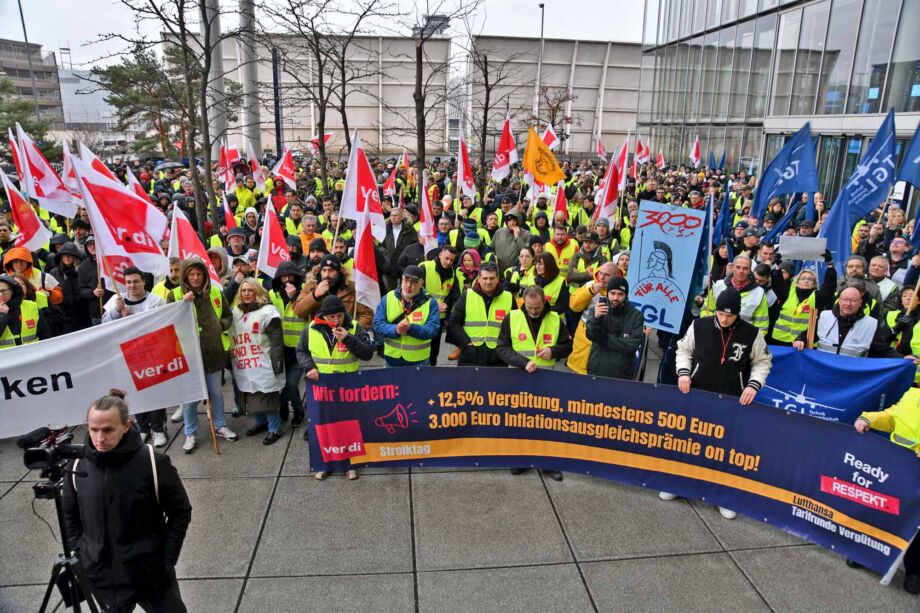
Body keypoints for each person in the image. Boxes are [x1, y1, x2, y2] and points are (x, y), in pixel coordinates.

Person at [62, 390, 192, 613]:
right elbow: (70, 514)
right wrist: (82, 552)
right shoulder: (77, 466)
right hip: (102, 574)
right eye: (93, 429)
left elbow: (181, 511)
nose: (100, 438)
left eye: (108, 430)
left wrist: (166, 558)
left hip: (150, 572)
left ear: (126, 426)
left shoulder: (153, 462)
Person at [667, 288, 772, 519]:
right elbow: (683, 350)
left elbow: (762, 362)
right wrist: (684, 373)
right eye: (720, 314)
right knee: (689, 440)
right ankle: (678, 483)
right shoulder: (700, 325)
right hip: (698, 392)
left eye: (729, 316)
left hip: (731, 398)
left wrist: (753, 385)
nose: (724, 319)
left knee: (724, 447)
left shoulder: (752, 333)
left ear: (738, 314)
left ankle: (722, 495)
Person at [496, 285, 572, 481]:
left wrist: (553, 351)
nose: (534, 311)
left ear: (544, 302)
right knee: (520, 420)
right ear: (524, 302)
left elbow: (568, 346)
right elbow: (502, 348)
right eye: (530, 307)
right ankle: (520, 459)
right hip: (520, 376)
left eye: (537, 307)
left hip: (547, 378)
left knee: (547, 422)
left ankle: (548, 463)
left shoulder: (555, 319)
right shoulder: (511, 318)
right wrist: (523, 362)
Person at [296, 295, 375, 473]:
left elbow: (368, 353)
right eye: (332, 317)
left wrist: (348, 338)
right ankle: (326, 463)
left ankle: (349, 464)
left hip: (347, 386)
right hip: (321, 386)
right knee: (324, 425)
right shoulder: (311, 328)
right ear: (324, 316)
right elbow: (301, 350)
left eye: (339, 315)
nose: (336, 320)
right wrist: (309, 367)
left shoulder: (354, 327)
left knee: (347, 424)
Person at [167, 257, 238, 453]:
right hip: (189, 355)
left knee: (215, 393)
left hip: (213, 352)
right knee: (190, 399)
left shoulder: (215, 291)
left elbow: (227, 314)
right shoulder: (175, 295)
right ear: (186, 276)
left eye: (199, 274)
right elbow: (170, 322)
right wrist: (183, 303)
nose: (196, 278)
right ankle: (191, 433)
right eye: (192, 274)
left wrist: (218, 327)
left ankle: (220, 425)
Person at [854, 387, 920, 595]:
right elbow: (891, 417)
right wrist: (868, 419)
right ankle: (866, 552)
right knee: (882, 509)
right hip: (897, 466)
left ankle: (915, 571)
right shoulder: (912, 394)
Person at [103, 267, 170, 446]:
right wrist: (116, 312)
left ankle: (157, 428)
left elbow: (160, 325)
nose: (132, 285)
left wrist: (134, 318)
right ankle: (143, 427)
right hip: (126, 355)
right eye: (129, 282)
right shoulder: (115, 301)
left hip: (151, 355)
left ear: (144, 282)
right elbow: (104, 327)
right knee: (133, 392)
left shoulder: (156, 301)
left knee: (155, 391)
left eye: (135, 281)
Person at [232, 277, 286, 445]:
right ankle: (260, 422)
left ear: (258, 292)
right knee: (250, 393)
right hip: (246, 362)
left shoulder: (268, 312)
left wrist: (277, 363)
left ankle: (274, 428)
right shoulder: (236, 312)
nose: (246, 294)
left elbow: (277, 341)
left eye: (250, 290)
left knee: (266, 395)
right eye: (243, 290)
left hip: (264, 362)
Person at [794, 284, 897, 357]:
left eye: (853, 300)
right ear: (839, 300)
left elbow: (883, 350)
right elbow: (807, 335)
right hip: (823, 369)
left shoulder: (871, 324)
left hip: (850, 375)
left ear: (860, 303)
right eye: (845, 299)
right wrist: (800, 340)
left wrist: (902, 359)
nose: (848, 304)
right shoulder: (824, 316)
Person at [447, 261, 516, 367]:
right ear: (479, 278)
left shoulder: (508, 297)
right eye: (485, 278)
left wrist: (505, 346)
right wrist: (466, 343)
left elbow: (516, 326)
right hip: (470, 356)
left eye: (492, 278)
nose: (488, 282)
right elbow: (454, 323)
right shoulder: (467, 296)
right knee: (468, 384)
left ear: (498, 278)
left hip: (498, 358)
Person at [373, 264, 441, 367]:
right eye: (406, 280)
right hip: (392, 360)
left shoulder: (430, 303)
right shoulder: (388, 298)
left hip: (418, 362)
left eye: (413, 281)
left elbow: (432, 330)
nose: (408, 285)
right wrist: (396, 329)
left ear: (421, 283)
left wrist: (411, 328)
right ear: (401, 279)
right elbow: (377, 324)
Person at [269, 260, 308, 426]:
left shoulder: (305, 293)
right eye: (283, 276)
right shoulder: (272, 295)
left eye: (290, 275)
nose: (287, 279)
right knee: (280, 382)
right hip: (280, 348)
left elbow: (307, 314)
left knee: (292, 384)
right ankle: (284, 405)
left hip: (300, 349)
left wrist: (294, 299)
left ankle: (298, 410)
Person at [585, 276, 645, 380]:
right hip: (597, 369)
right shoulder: (596, 310)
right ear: (607, 293)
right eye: (612, 293)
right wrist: (596, 319)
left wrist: (603, 339)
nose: (616, 298)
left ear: (626, 295)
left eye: (620, 294)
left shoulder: (636, 315)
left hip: (623, 373)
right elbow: (591, 335)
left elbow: (632, 345)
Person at [293, 254, 374, 329]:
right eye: (324, 270)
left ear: (338, 272)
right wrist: (315, 295)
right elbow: (298, 311)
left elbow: (367, 314)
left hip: (344, 339)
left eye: (331, 270)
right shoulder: (311, 286)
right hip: (319, 337)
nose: (327, 274)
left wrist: (353, 332)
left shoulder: (352, 288)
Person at [566, 262, 616, 375]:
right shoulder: (590, 285)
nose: (602, 277)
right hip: (584, 334)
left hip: (606, 336)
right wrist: (591, 291)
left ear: (615, 276)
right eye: (600, 273)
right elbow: (574, 305)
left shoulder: (619, 290)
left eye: (607, 275)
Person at [420, 246, 458, 363]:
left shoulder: (452, 272)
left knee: (434, 349)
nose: (448, 262)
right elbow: (417, 290)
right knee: (421, 346)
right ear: (440, 254)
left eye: (452, 260)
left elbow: (451, 294)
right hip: (422, 314)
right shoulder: (425, 267)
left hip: (439, 317)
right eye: (446, 258)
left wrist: (446, 304)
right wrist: (434, 303)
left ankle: (432, 371)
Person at [0, 273, 50, 349]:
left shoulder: (32, 306)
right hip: (6, 359)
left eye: (3, 291)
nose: (0, 295)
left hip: (33, 355)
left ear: (12, 291)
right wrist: (3, 316)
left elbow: (45, 335)